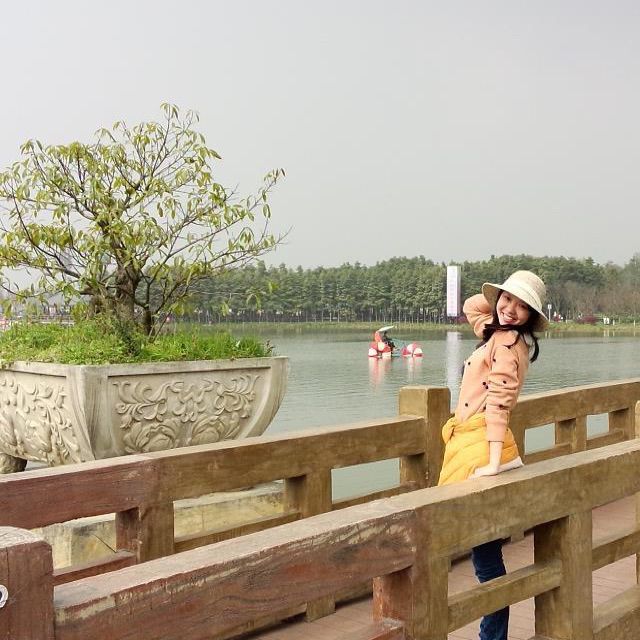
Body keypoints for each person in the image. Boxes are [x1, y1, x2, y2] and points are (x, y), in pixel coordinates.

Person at [437, 270, 548, 640]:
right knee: (485, 553)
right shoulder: (501, 334)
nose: (511, 309)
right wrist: (499, 299)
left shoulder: (504, 343)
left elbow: (500, 403)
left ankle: (493, 636)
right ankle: (493, 634)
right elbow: (472, 306)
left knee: (484, 557)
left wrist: (493, 463)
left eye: (522, 306)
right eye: (508, 299)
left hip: (480, 447)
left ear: (531, 316)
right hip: (476, 444)